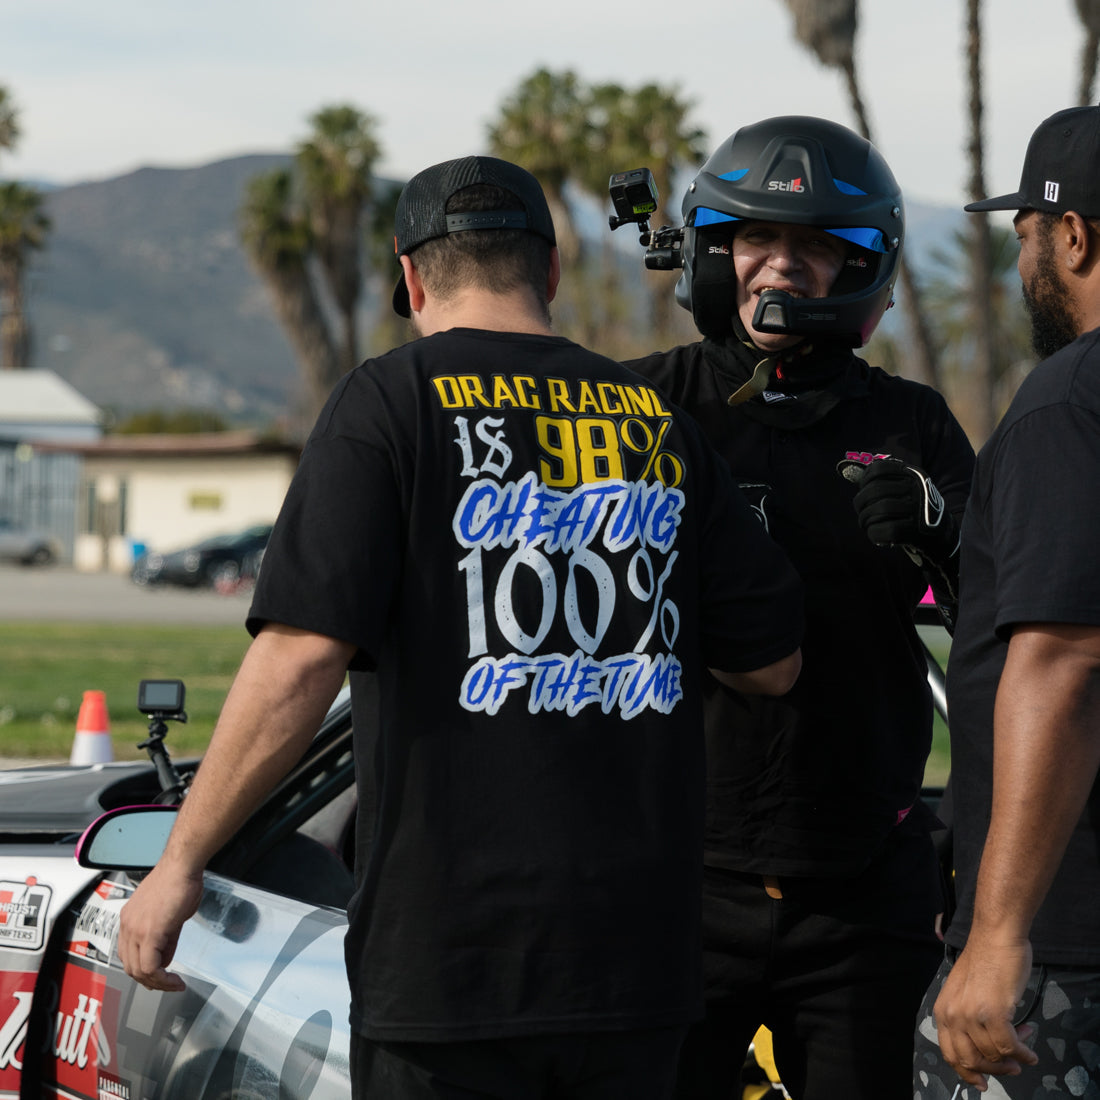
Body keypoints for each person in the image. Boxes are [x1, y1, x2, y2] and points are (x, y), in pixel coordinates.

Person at [117, 154, 806, 1100]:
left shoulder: (388, 404)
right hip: (636, 969)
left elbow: (299, 658)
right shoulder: (655, 424)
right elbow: (772, 665)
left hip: (452, 972)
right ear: (551, 273)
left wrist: (180, 862)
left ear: (409, 277)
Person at [625, 115, 976, 1100]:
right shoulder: (641, 406)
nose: (780, 268)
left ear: (856, 268)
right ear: (713, 251)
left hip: (866, 881)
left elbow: (994, 626)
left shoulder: (909, 421)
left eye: (814, 247)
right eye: (756, 241)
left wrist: (944, 535)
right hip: (676, 876)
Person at [913, 104, 1100, 1098]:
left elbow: (1062, 659)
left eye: (1023, 233)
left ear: (1071, 235)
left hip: (1064, 962)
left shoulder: (1070, 398)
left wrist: (995, 936)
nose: (1019, 257)